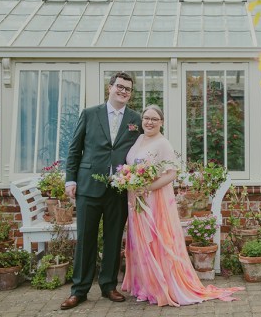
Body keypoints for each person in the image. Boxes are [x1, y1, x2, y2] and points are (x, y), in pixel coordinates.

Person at [121, 104, 244, 306]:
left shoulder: (163, 144)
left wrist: (147, 187)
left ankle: (162, 286)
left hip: (154, 200)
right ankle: (145, 284)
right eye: (146, 118)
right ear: (141, 120)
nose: (149, 122)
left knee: (158, 240)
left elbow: (171, 174)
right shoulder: (139, 139)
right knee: (141, 242)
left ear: (161, 123)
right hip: (136, 200)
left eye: (154, 119)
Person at [60, 72, 142, 310]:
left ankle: (108, 286)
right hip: (88, 187)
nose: (123, 91)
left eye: (128, 89)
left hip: (118, 189)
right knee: (85, 238)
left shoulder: (135, 119)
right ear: (110, 88)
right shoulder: (89, 114)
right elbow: (74, 149)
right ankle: (79, 290)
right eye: (120, 86)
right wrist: (70, 180)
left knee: (113, 238)